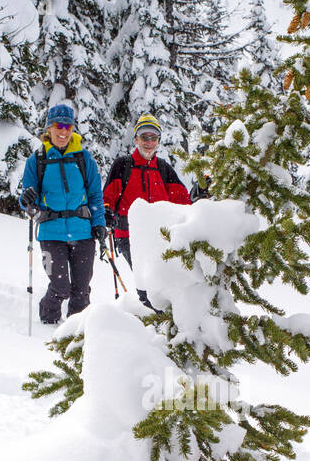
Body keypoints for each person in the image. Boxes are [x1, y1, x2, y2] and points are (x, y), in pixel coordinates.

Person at [18, 104, 107, 324]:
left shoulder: (84, 158)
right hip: (51, 232)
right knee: (60, 287)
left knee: (81, 288)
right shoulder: (37, 160)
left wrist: (99, 223)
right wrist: (27, 200)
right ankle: (47, 322)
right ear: (49, 127)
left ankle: (76, 333)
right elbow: (29, 200)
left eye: (68, 126)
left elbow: (95, 195)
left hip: (83, 231)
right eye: (59, 125)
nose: (63, 131)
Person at [102, 114, 191, 306]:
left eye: (153, 138)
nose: (149, 142)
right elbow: (107, 198)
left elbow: (183, 201)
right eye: (144, 137)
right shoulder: (122, 166)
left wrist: (199, 195)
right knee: (148, 284)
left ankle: (159, 322)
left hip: (160, 237)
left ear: (158, 141)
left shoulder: (163, 168)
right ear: (136, 139)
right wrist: (106, 213)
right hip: (128, 235)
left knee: (163, 283)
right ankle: (152, 322)